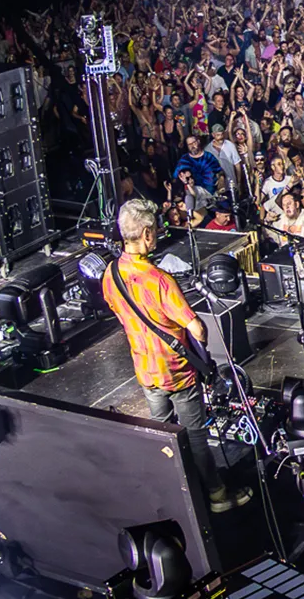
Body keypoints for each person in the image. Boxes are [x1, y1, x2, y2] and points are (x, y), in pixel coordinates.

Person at [101, 198, 244, 511]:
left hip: (145, 370)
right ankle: (217, 496)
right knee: (195, 437)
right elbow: (196, 328)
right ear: (148, 234)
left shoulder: (110, 275)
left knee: (164, 435)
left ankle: (176, 493)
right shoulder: (159, 280)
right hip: (177, 371)